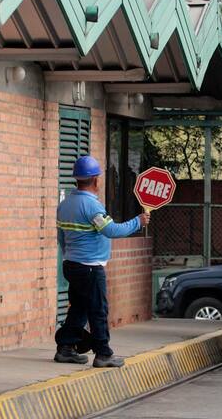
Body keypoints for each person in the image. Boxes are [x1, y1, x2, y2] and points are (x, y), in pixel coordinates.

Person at [54, 155, 150, 368]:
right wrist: (138, 221)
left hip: (71, 264)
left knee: (79, 307)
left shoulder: (64, 205)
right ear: (96, 179)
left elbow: (61, 237)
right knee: (98, 309)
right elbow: (111, 230)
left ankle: (66, 347)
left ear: (76, 179)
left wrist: (72, 254)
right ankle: (103, 353)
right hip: (90, 267)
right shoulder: (92, 207)